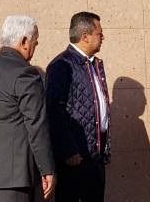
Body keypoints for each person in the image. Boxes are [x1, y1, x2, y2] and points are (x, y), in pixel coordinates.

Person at [0, 15, 56, 201]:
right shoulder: (25, 72)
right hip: (13, 175)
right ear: (24, 41)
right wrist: (46, 168)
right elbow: (36, 124)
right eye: (35, 41)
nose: (36, 45)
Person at [46, 12, 111, 202]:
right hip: (75, 157)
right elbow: (54, 110)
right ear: (85, 37)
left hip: (95, 154)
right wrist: (69, 150)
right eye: (99, 33)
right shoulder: (61, 65)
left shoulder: (94, 64)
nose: (103, 37)